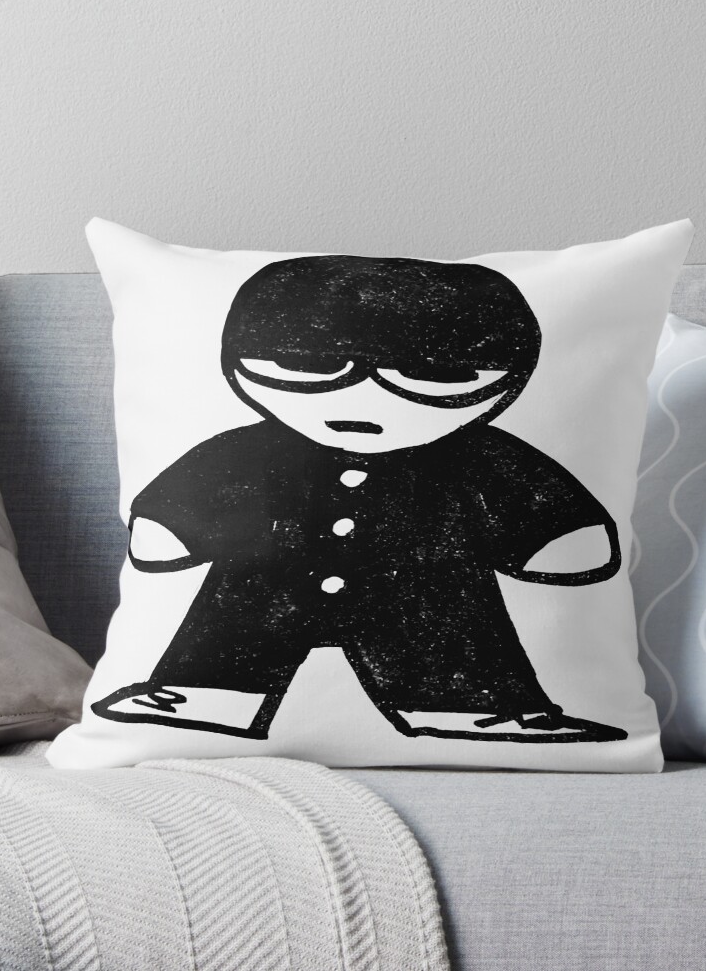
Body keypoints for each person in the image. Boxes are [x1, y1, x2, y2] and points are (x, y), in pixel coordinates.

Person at [93, 255, 625, 743]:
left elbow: (532, 498)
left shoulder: (480, 457)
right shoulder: (251, 450)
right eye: (311, 367)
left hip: (425, 589)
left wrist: (555, 539)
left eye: (434, 376)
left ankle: (477, 709)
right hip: (268, 582)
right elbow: (202, 487)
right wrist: (174, 528)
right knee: (237, 620)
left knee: (450, 630)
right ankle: (201, 695)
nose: (364, 396)